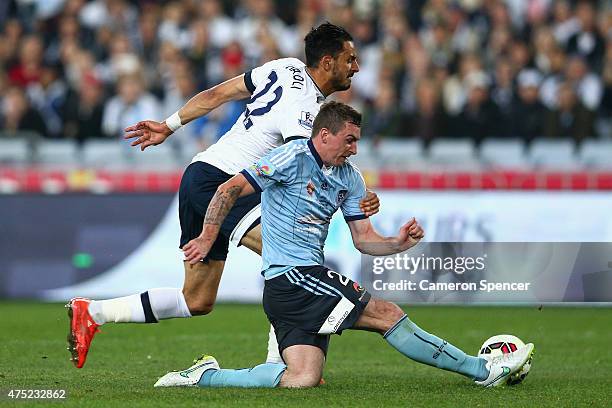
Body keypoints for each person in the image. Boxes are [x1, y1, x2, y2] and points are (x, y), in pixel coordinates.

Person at [155, 101, 535, 389]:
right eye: (348, 139)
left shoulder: (350, 178)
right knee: (386, 314)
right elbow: (229, 188)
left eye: (357, 141)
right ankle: (482, 370)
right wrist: (207, 235)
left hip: (295, 286)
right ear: (324, 135)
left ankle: (206, 377)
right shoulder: (290, 157)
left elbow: (364, 240)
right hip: (292, 277)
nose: (354, 148)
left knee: (302, 377)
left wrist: (397, 243)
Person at [66, 22, 380, 369]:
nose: (357, 67)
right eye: (350, 59)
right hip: (225, 183)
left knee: (197, 299)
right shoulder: (306, 110)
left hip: (199, 174)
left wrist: (169, 125)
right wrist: (356, 194)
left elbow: (216, 95)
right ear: (327, 61)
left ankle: (93, 312)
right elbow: (304, 169)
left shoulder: (282, 67)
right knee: (293, 257)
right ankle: (281, 363)